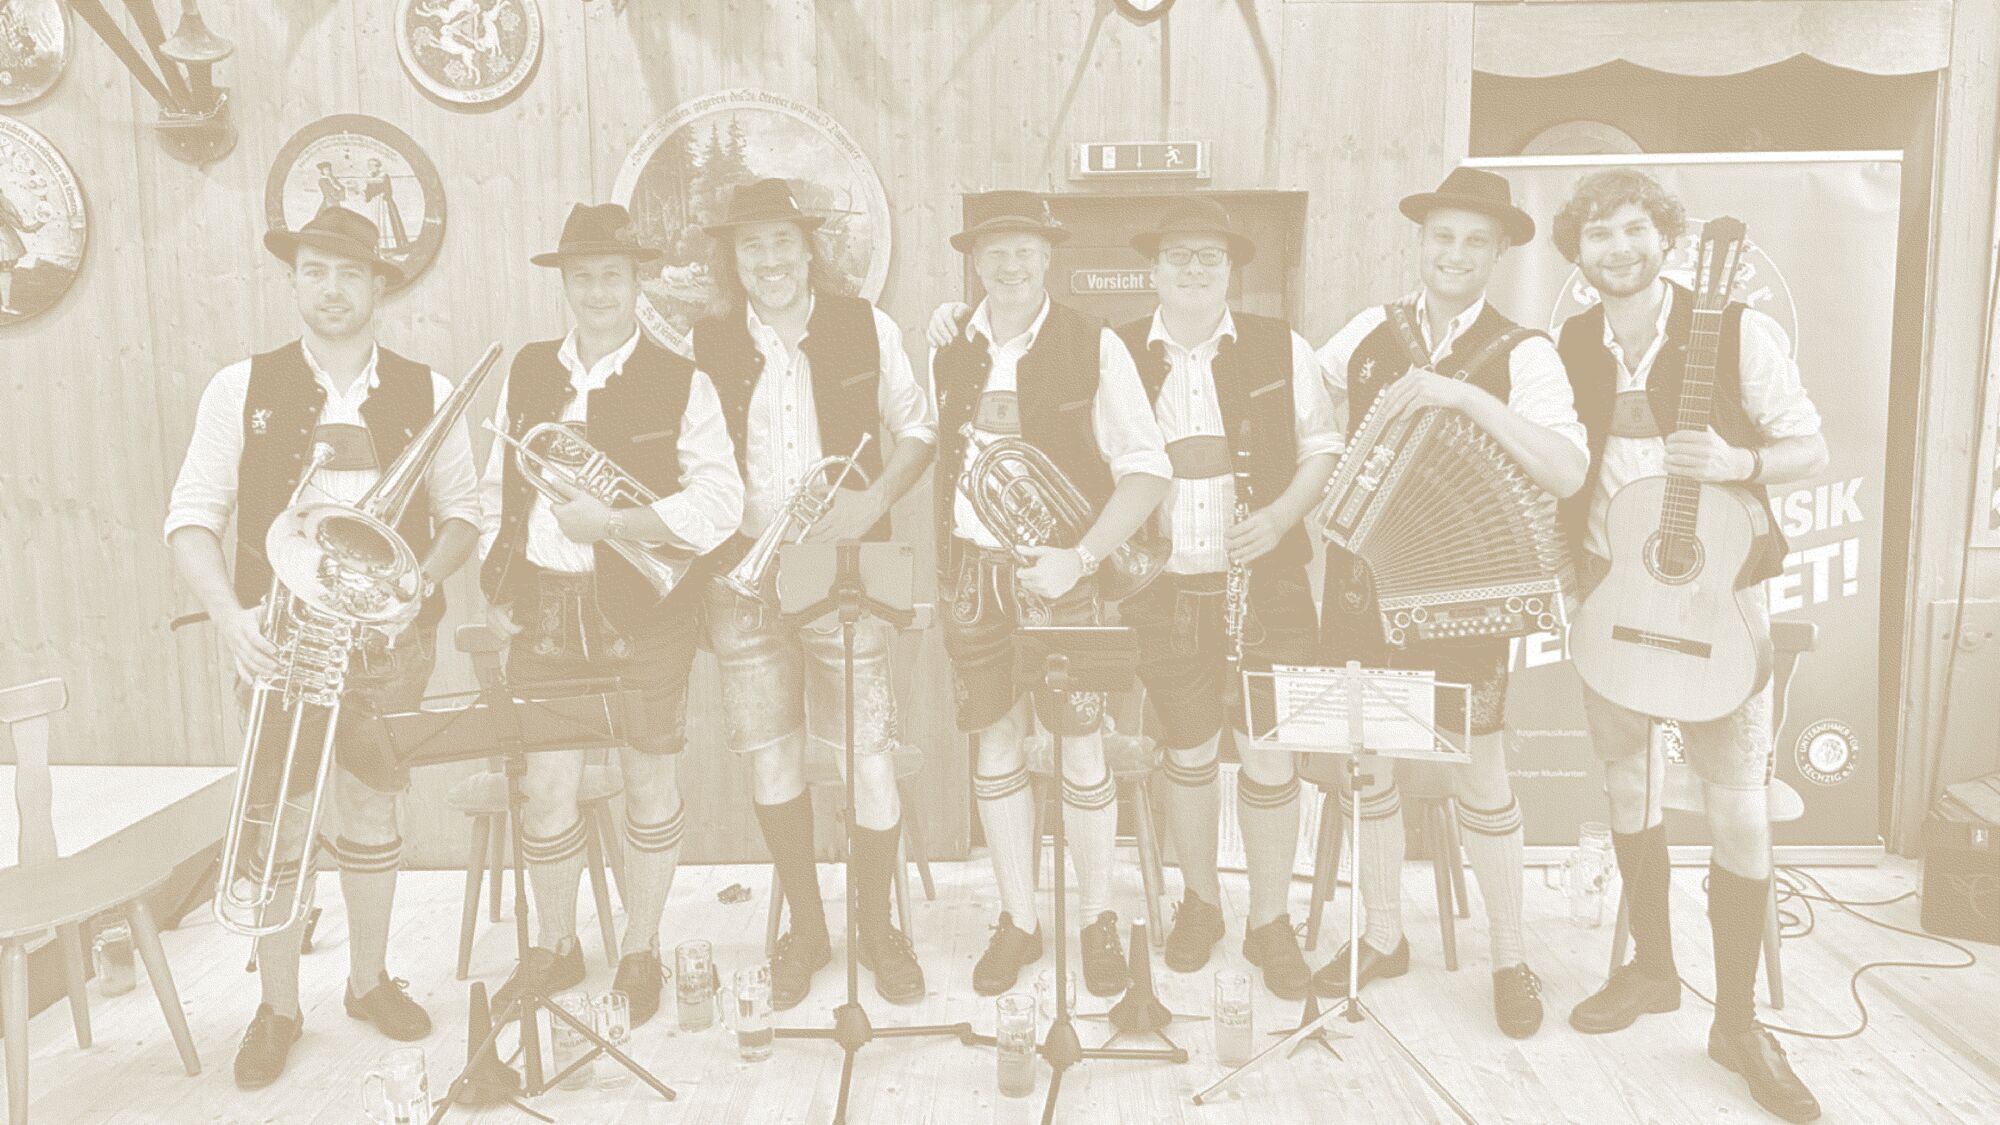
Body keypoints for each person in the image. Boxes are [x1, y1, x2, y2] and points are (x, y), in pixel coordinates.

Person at [165, 207, 481, 1088]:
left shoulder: (428, 387)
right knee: (279, 823)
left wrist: (414, 588)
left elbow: (464, 515)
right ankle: (278, 1007)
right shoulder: (240, 387)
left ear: (380, 285)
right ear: (293, 280)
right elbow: (190, 518)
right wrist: (231, 618)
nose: (331, 288)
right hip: (280, 641)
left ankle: (369, 980)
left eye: (349, 272)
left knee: (373, 811)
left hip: (388, 643)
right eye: (314, 270)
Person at [1553, 168, 1826, 1123]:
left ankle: (1738, 1022)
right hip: (1613, 595)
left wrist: (1741, 460)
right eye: (1598, 234)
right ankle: (1654, 969)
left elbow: (1811, 447)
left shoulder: (1738, 331)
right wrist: (1567, 582)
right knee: (1628, 783)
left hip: (1717, 602)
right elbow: (1562, 466)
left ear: (1667, 239)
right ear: (1578, 252)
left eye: (1634, 229)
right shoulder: (1571, 342)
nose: (1618, 248)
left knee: (1737, 810)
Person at [1314, 167, 1588, 1038]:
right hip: (1363, 584)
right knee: (1369, 760)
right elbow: (1304, 411)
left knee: (1480, 768)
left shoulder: (1523, 351)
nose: (1456, 254)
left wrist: (1461, 392)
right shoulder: (1367, 333)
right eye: (1443, 237)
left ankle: (1509, 955)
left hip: (1466, 596)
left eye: (1476, 240)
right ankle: (1384, 935)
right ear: (1421, 242)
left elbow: (1566, 469)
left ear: (1500, 250)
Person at [478, 202, 744, 1028]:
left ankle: (640, 946)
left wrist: (618, 523)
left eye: (613, 276)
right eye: (583, 276)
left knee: (647, 778)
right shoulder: (529, 371)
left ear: (637, 283)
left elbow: (722, 501)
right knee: (546, 786)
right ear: (565, 282)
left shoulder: (683, 379)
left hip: (646, 610)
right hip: (546, 607)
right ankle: (556, 943)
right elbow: (498, 489)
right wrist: (497, 586)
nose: (597, 291)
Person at [690, 179, 937, 1010]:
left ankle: (878, 926)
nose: (769, 260)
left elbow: (919, 427)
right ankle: (806, 926)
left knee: (868, 752)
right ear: (733, 259)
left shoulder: (866, 325)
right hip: (745, 576)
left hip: (846, 571)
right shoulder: (706, 342)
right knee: (772, 752)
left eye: (782, 242)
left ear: (807, 249)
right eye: (751, 245)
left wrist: (872, 500)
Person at [923, 191, 1171, 998]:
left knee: (1081, 747)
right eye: (995, 250)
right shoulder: (952, 346)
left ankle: (1098, 918)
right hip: (975, 576)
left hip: (1065, 577)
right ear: (974, 260)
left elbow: (1148, 470)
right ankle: (1020, 920)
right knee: (996, 745)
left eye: (1025, 249)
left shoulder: (1095, 343)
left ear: (1049, 256)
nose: (1011, 264)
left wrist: (1082, 556)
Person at [1108, 197, 1340, 999]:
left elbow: (1322, 448)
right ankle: (1201, 902)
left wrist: (1279, 518)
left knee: (1271, 751)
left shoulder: (1282, 345)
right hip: (1164, 589)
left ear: (1232, 270)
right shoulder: (1115, 353)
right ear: (1153, 268)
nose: (1194, 268)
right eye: (1178, 254)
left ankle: (1270, 919)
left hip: (1267, 584)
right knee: (1189, 750)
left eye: (1210, 255)